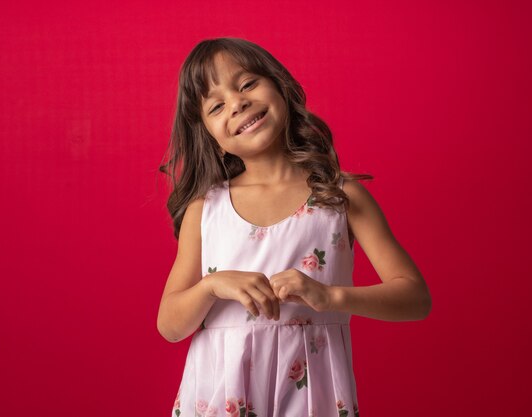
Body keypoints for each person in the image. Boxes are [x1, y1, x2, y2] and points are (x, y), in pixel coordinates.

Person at [157, 37, 432, 417]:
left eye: (248, 84)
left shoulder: (339, 196)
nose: (237, 103)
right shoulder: (206, 210)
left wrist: (331, 297)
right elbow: (170, 326)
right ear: (210, 137)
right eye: (217, 105)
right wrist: (211, 286)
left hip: (311, 399)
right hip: (218, 403)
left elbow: (415, 298)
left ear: (280, 87)